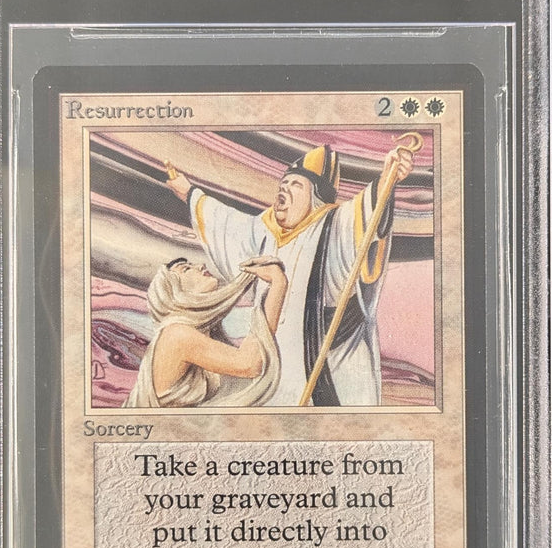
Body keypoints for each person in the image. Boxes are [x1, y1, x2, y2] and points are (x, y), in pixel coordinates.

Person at [163, 142, 414, 406]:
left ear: (315, 197)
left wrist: (388, 177)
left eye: (296, 184)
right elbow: (225, 222)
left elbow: (368, 213)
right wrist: (189, 193)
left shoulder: (333, 224)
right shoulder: (265, 230)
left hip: (332, 373)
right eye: (283, 183)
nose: (284, 188)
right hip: (276, 380)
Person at [123, 255, 287, 408]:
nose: (201, 265)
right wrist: (278, 284)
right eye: (186, 269)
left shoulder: (198, 331)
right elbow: (249, 364)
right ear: (174, 293)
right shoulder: (177, 334)